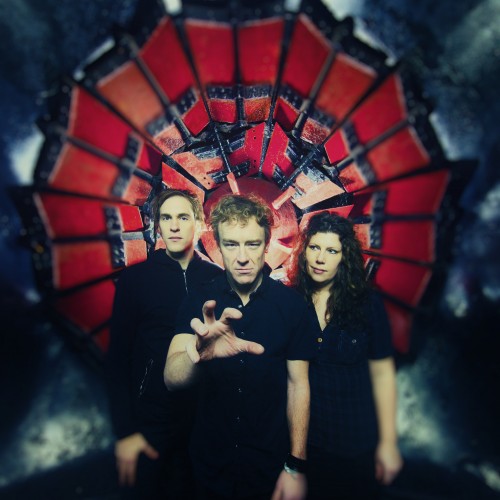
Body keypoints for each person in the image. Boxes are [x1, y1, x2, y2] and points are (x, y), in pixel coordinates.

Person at [164, 194, 319, 500]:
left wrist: (296, 466)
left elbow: (298, 385)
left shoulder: (292, 306)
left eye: (252, 244)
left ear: (267, 244)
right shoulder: (199, 300)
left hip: (268, 466)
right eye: (232, 244)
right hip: (208, 465)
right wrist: (197, 354)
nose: (243, 257)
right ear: (218, 246)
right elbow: (171, 379)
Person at [105, 188, 222, 499]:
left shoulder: (217, 279)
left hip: (205, 419)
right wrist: (125, 431)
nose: (174, 226)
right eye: (166, 218)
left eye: (183, 217)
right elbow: (117, 359)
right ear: (157, 225)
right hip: (152, 420)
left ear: (199, 223)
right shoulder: (135, 280)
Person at [289, 211, 403, 499]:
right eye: (314, 247)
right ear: (304, 251)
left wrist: (388, 443)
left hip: (356, 444)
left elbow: (383, 374)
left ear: (344, 257)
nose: (320, 258)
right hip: (307, 445)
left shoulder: (367, 304)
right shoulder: (290, 301)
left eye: (331, 251)